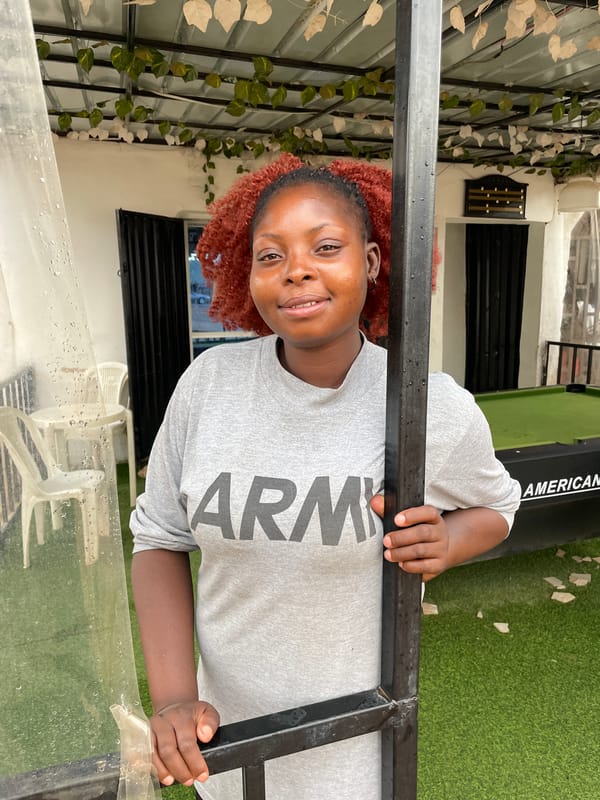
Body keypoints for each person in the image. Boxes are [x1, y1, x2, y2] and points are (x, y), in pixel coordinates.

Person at [130, 154, 521, 800]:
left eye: (326, 246)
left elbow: (499, 506)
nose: (297, 271)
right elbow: (160, 539)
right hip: (230, 751)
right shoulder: (207, 388)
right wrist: (174, 698)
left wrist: (448, 542)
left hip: (357, 756)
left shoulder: (427, 404)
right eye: (270, 256)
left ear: (370, 262)